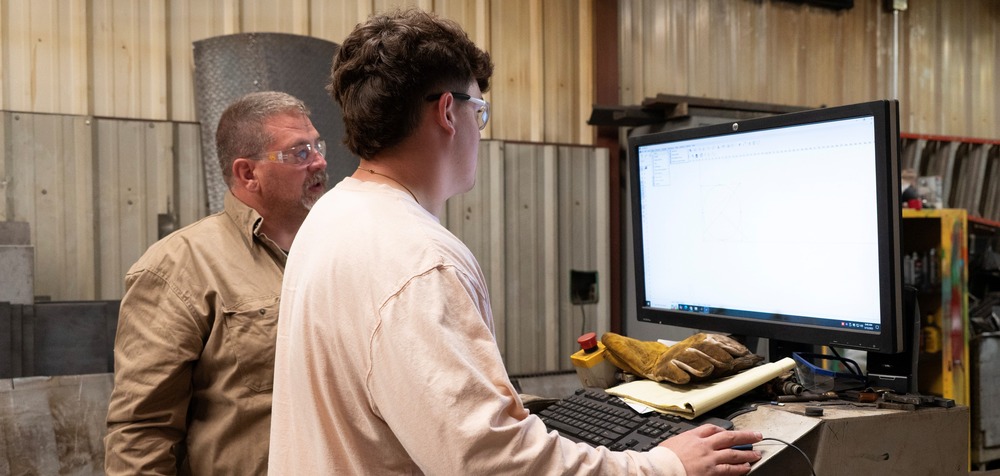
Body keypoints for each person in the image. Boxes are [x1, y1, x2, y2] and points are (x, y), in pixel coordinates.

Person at [268, 8, 762, 475]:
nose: (479, 132)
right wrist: (662, 464)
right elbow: (492, 462)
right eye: (478, 112)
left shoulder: (333, 214)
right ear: (448, 112)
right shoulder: (417, 259)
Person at [104, 91, 329, 475]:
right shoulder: (178, 267)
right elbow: (143, 430)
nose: (320, 161)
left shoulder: (340, 250)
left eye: (317, 145)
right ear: (247, 173)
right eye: (299, 152)